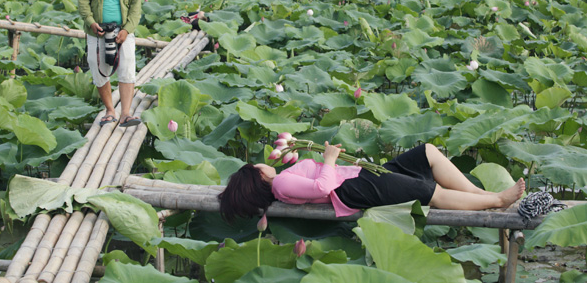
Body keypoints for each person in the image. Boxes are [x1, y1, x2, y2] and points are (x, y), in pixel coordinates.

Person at [219, 142, 526, 222]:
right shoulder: (280, 185)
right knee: (426, 192)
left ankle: (478, 193)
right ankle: (498, 201)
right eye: (257, 165)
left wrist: (331, 159)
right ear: (257, 176)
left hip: (359, 174)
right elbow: (323, 188)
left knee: (426, 154)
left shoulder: (283, 178)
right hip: (352, 191)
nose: (262, 162)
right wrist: (327, 159)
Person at [78, 0, 142, 128]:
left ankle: (125, 113)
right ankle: (109, 110)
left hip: (123, 29)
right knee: (98, 69)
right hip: (97, 29)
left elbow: (136, 6)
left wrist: (127, 29)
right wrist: (90, 22)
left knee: (128, 67)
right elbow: (82, 1)